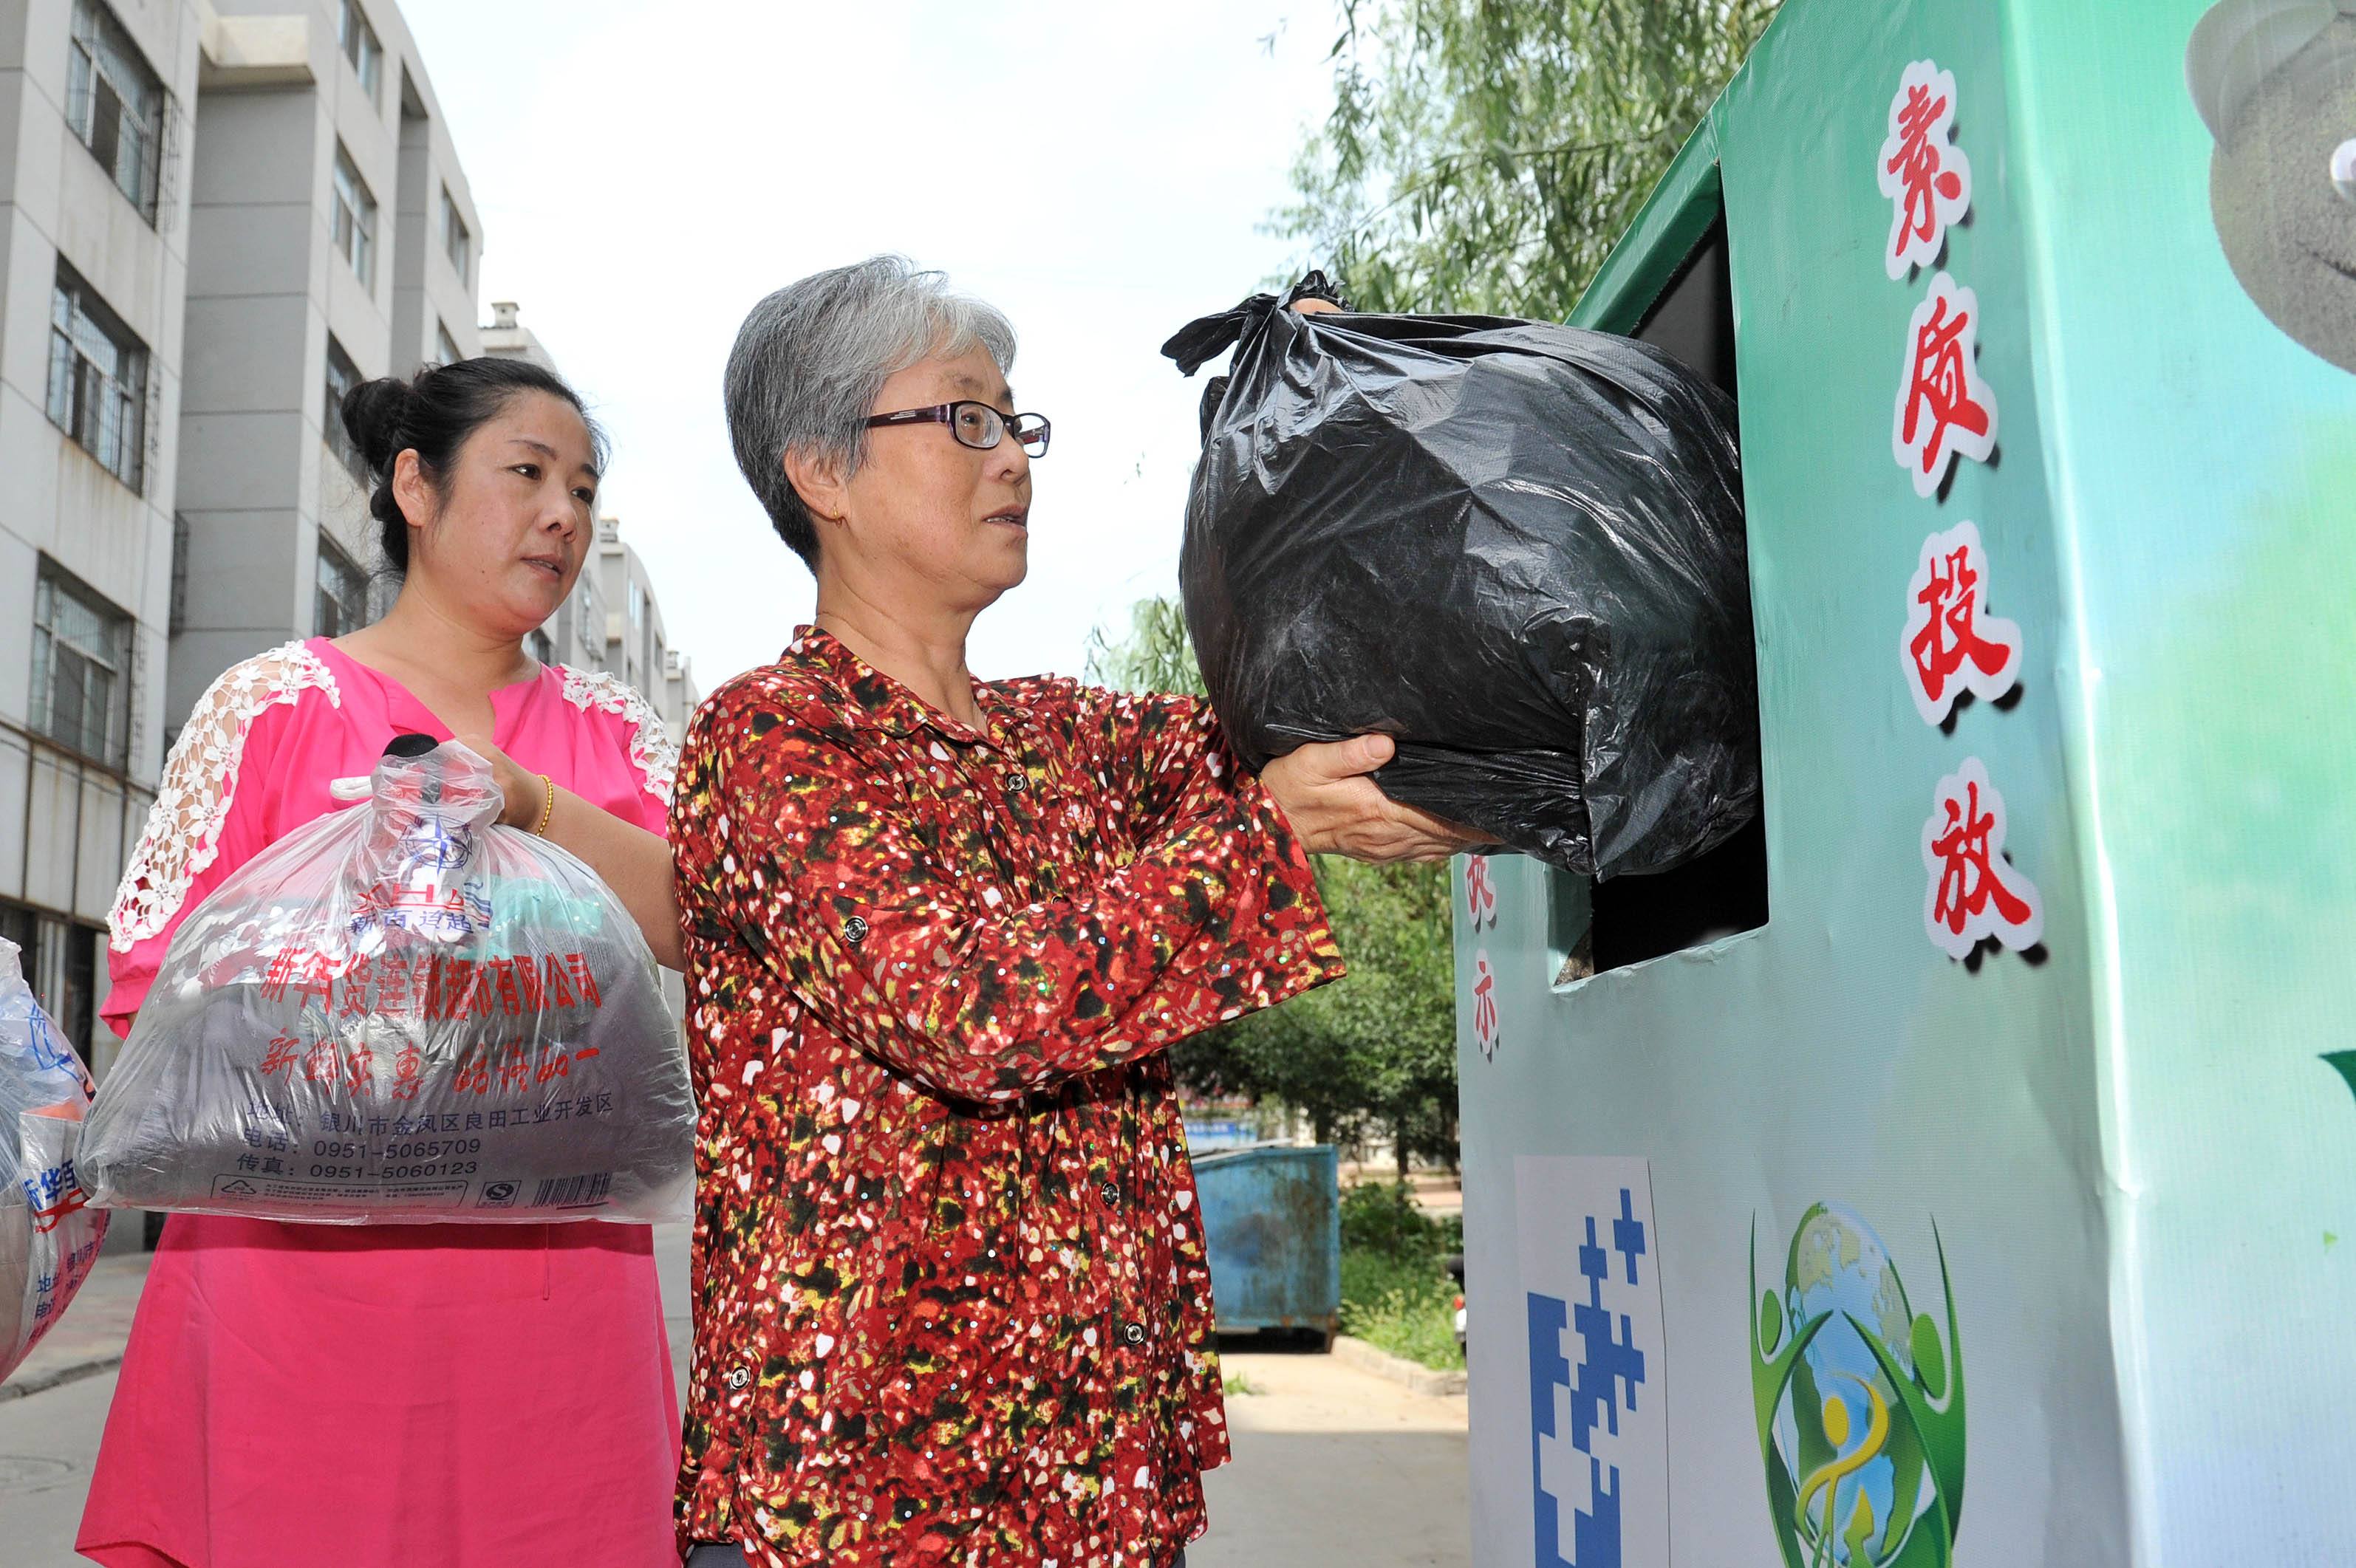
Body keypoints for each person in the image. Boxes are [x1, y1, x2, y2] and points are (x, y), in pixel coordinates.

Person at [671, 256, 1481, 1568]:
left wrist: (1335, 426)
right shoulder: (772, 739)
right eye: (964, 419)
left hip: (1083, 1476)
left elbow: (1306, 714)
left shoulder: (1067, 739)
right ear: (820, 472)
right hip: (863, 1492)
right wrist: (1271, 831)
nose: (1011, 460)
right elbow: (974, 1008)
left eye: (1015, 422)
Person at [81, 359, 686, 1568]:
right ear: (415, 484)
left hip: (552, 1320)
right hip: (288, 1308)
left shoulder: (613, 733)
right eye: (527, 474)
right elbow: (154, 998)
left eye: (583, 488)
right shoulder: (271, 706)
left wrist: (538, 813)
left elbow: (709, 927)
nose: (562, 515)